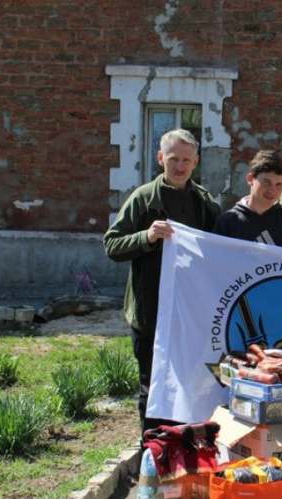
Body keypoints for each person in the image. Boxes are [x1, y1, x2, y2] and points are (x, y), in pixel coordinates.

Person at [103, 129, 222, 436]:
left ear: (195, 162)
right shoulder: (143, 199)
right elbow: (112, 245)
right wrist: (146, 236)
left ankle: (184, 449)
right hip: (151, 314)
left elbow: (220, 253)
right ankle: (152, 455)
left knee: (191, 386)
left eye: (186, 160)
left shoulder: (205, 204)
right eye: (173, 159)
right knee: (152, 387)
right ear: (160, 159)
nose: (179, 166)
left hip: (191, 316)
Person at [214, 150, 282, 251]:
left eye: (278, 185)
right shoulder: (227, 222)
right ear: (250, 179)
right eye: (266, 182)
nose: (272, 190)